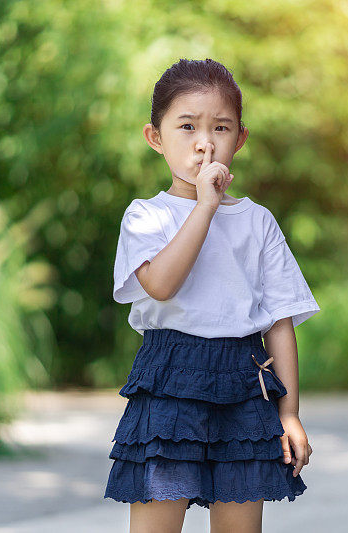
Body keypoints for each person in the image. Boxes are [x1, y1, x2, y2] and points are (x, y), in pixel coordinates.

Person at [104, 58, 320, 533]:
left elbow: (279, 321)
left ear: (239, 139)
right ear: (155, 137)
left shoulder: (257, 221)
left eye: (220, 127)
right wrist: (204, 205)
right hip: (168, 382)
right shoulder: (146, 216)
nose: (204, 142)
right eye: (186, 126)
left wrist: (290, 414)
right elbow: (160, 285)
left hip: (245, 384)